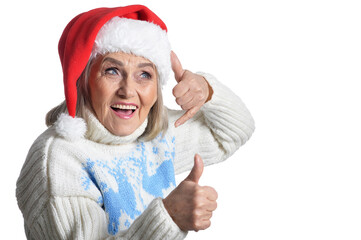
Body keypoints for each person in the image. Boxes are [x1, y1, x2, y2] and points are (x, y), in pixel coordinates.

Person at [16, 5, 255, 240]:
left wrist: (207, 91)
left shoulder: (157, 134)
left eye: (144, 75)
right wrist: (168, 218)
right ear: (83, 79)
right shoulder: (59, 159)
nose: (128, 91)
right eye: (112, 71)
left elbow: (235, 131)